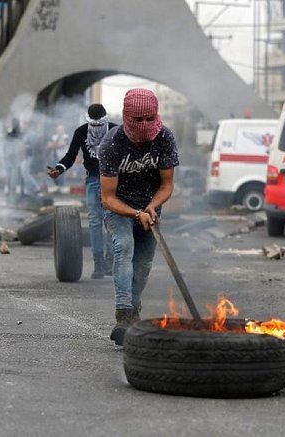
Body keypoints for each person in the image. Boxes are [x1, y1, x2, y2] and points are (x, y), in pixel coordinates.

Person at [97, 88, 179, 345]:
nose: (144, 125)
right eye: (138, 119)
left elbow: (166, 185)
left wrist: (151, 208)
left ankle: (133, 306)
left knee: (143, 264)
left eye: (149, 118)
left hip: (151, 206)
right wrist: (135, 213)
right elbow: (107, 197)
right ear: (126, 117)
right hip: (119, 207)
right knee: (125, 247)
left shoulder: (164, 137)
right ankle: (124, 313)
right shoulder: (111, 144)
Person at [47, 103, 117, 278]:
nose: (96, 129)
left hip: (114, 181)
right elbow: (70, 156)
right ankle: (98, 262)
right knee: (94, 221)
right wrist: (59, 169)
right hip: (93, 179)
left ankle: (111, 260)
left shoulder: (116, 131)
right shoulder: (81, 131)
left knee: (112, 221)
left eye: (99, 125)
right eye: (93, 125)